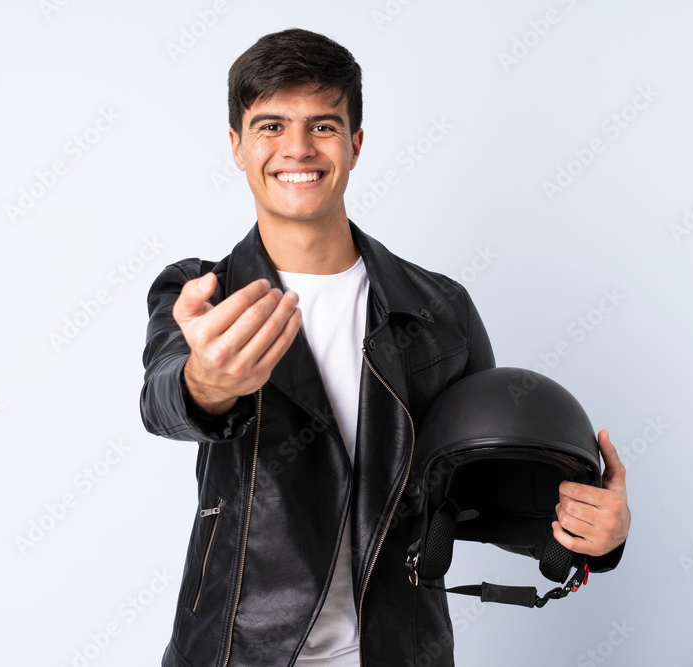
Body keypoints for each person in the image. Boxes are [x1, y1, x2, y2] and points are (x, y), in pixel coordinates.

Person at [139, 28, 630, 667]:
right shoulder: (200, 292)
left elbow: (474, 489)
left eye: (322, 125)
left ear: (355, 143)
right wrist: (207, 382)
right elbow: (163, 398)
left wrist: (591, 534)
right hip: (238, 650)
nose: (296, 148)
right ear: (236, 146)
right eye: (269, 127)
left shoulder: (438, 309)